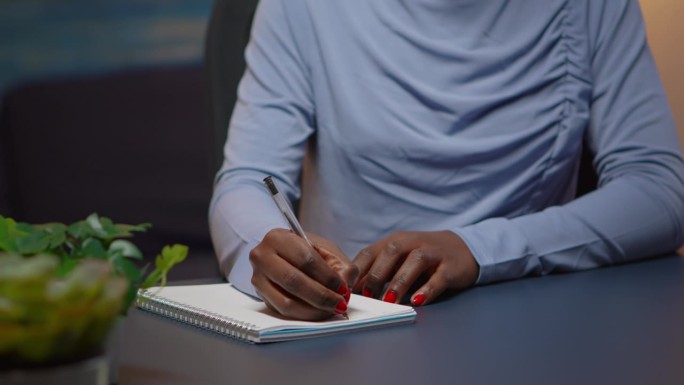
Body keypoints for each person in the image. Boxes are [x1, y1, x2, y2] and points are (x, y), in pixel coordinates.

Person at [209, 0, 684, 321]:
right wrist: (267, 249)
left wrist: (477, 250)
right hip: (352, 322)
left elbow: (659, 190)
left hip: (528, 317)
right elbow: (249, 179)